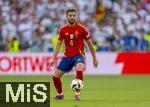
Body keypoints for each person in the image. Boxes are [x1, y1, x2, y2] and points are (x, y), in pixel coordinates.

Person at [49, 9, 99, 100]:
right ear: (67, 16)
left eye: (73, 15)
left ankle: (77, 94)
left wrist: (94, 58)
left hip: (78, 55)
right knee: (55, 77)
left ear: (76, 17)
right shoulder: (63, 29)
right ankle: (60, 94)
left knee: (80, 67)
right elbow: (58, 44)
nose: (72, 17)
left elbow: (90, 44)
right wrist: (53, 58)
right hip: (67, 57)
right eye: (70, 15)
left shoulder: (82, 29)